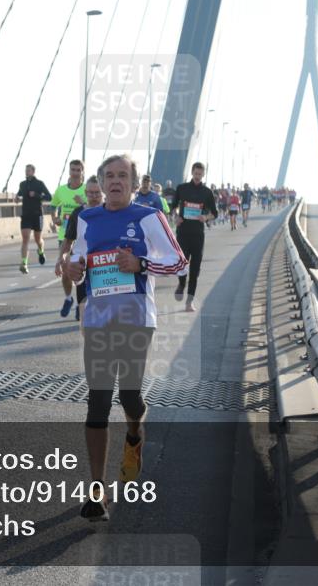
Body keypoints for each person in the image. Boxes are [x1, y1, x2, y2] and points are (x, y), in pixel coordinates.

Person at [65, 154, 186, 522]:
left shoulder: (149, 217)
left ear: (134, 184)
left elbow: (178, 262)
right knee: (98, 401)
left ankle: (134, 433)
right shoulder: (86, 218)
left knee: (129, 396)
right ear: (101, 183)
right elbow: (79, 261)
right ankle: (96, 490)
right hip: (98, 320)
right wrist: (73, 267)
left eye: (122, 176)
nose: (115, 181)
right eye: (109, 176)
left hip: (136, 321)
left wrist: (141, 264)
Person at [56, 175, 103, 321]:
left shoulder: (110, 211)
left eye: (97, 193)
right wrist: (61, 258)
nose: (94, 197)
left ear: (103, 192)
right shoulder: (78, 213)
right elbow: (68, 240)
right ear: (86, 193)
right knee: (84, 315)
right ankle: (78, 307)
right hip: (82, 264)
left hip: (104, 264)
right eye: (90, 193)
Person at [173, 162, 218, 312]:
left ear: (203, 174)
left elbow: (215, 213)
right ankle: (181, 284)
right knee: (182, 264)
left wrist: (206, 217)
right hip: (183, 233)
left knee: (195, 269)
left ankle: (189, 302)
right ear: (192, 172)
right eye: (195, 173)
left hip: (198, 235)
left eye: (200, 174)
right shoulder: (182, 188)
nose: (197, 176)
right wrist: (176, 217)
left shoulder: (207, 192)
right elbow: (173, 207)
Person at [51, 160, 87, 316]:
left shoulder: (87, 190)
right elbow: (53, 205)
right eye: (73, 169)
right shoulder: (61, 190)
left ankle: (81, 304)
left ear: (82, 172)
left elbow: (95, 206)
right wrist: (54, 218)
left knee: (79, 270)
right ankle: (68, 298)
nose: (75, 172)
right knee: (66, 272)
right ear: (69, 171)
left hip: (82, 237)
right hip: (65, 236)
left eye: (78, 170)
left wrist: (83, 202)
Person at [14, 164, 52, 273]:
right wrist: (17, 198)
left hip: (37, 215)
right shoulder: (22, 184)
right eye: (25, 170)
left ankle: (41, 251)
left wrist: (36, 195)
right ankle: (24, 263)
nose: (26, 172)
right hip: (26, 215)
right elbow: (19, 194)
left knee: (37, 239)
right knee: (25, 238)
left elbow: (49, 197)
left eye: (28, 170)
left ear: (33, 171)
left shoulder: (39, 184)